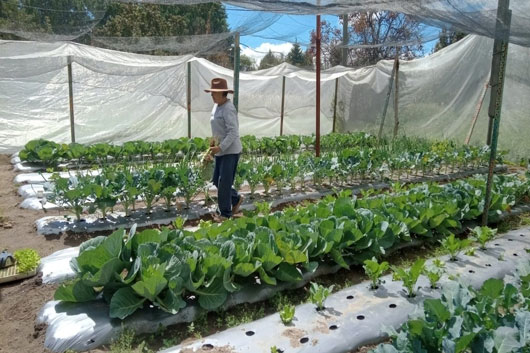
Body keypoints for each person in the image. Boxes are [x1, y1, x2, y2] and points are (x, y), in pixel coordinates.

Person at [204, 78, 244, 221]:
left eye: (214, 92)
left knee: (224, 182)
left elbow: (233, 132)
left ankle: (225, 214)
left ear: (222, 93)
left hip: (230, 151)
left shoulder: (228, 108)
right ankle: (236, 198)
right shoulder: (217, 106)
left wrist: (220, 147)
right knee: (216, 180)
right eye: (211, 92)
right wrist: (214, 143)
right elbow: (218, 128)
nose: (211, 95)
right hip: (220, 150)